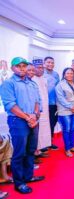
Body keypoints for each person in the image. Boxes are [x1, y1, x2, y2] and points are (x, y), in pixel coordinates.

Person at [0, 57, 45, 194]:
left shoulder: (32, 83)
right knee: (19, 152)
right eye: (18, 66)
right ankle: (19, 183)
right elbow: (11, 105)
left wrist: (35, 115)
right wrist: (27, 117)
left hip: (33, 120)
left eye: (24, 66)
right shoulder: (8, 84)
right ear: (12, 68)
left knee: (31, 150)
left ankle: (28, 176)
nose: (21, 68)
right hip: (18, 121)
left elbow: (37, 101)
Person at [55, 67, 74, 157]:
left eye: (71, 73)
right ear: (64, 75)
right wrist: (71, 107)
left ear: (73, 75)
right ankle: (67, 149)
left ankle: (72, 146)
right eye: (67, 73)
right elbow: (61, 98)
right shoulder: (60, 85)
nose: (69, 75)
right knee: (66, 130)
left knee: (73, 129)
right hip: (64, 111)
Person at [32, 59, 52, 154]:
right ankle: (34, 151)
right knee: (36, 131)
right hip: (36, 110)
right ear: (33, 68)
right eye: (38, 68)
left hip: (45, 108)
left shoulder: (44, 79)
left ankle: (39, 149)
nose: (41, 70)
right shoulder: (31, 79)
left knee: (44, 128)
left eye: (42, 68)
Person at [44, 56, 59, 150]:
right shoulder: (41, 74)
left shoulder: (56, 74)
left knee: (52, 123)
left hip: (54, 103)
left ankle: (50, 142)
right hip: (44, 104)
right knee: (44, 124)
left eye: (52, 62)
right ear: (44, 63)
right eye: (48, 62)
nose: (50, 64)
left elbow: (58, 88)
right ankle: (43, 143)